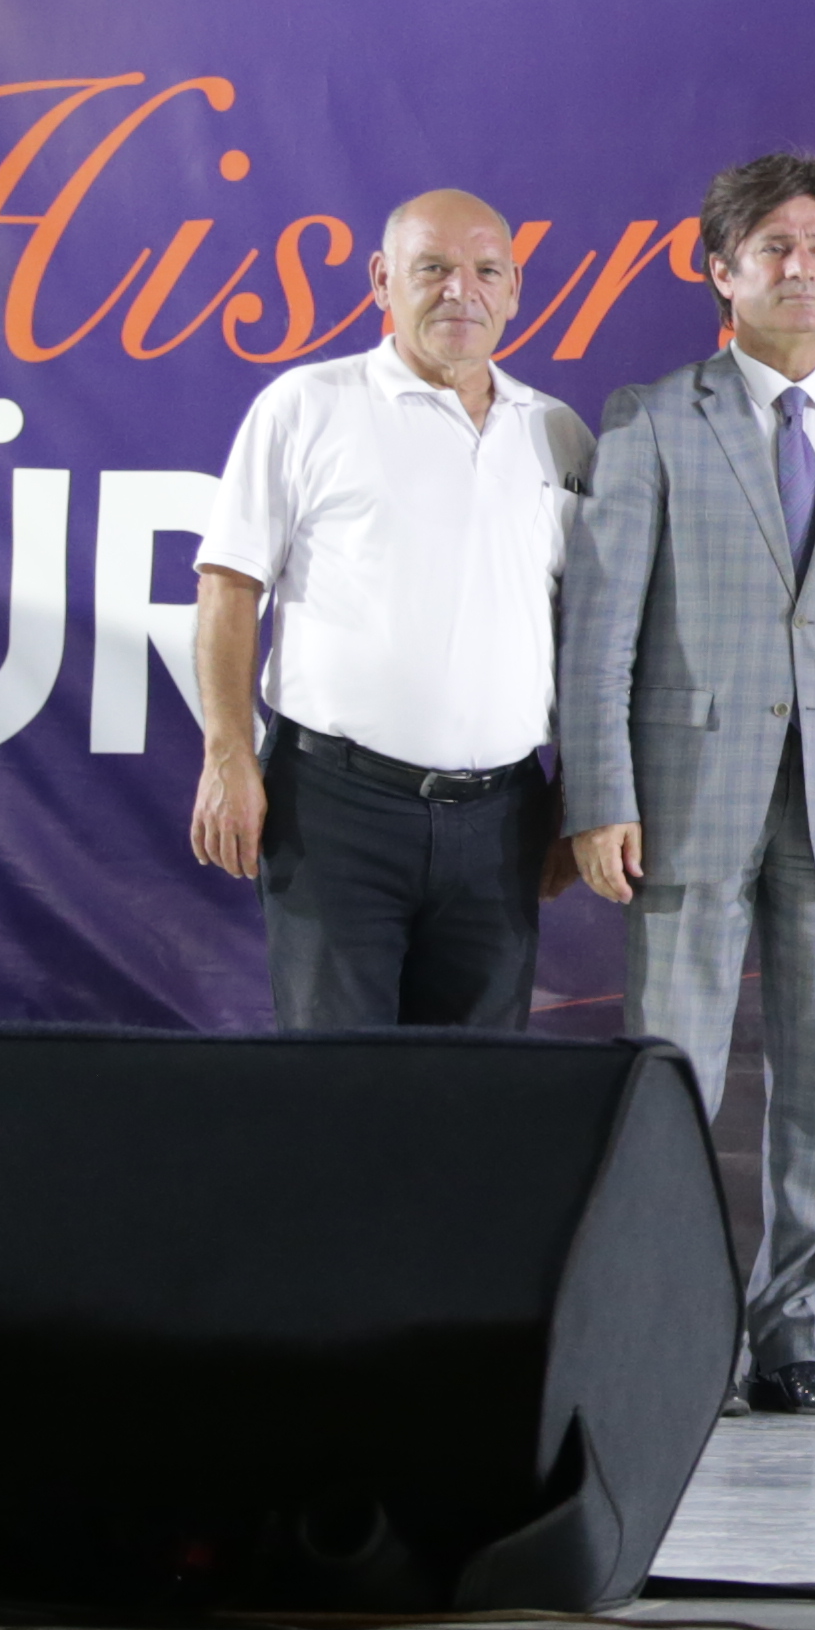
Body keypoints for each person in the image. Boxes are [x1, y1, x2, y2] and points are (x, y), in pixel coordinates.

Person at [557, 152, 815, 1421]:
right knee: (673, 1071)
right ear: (721, 272)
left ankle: (797, 1333)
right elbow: (601, 626)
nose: (802, 269)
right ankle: (664, 1330)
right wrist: (600, 794)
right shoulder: (651, 419)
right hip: (684, 794)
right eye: (775, 248)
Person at [188, 188, 590, 1028]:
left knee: (474, 1090)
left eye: (486, 271)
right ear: (381, 278)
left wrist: (572, 798)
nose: (461, 290)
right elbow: (229, 585)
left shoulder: (558, 433)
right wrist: (228, 752)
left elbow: (589, 634)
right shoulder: (306, 405)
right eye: (432, 267)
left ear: (515, 290)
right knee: (338, 1088)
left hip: (504, 821)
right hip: (335, 817)